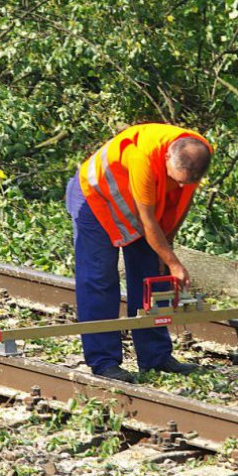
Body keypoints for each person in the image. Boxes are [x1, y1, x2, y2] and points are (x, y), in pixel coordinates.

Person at [65, 123, 212, 382]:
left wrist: (167, 248)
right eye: (174, 180)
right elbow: (147, 222)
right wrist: (175, 264)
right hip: (95, 199)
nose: (178, 186)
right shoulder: (141, 157)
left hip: (138, 205)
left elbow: (181, 203)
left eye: (183, 182)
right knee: (99, 279)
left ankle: (156, 357)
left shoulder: (198, 152)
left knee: (152, 276)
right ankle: (104, 362)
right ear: (167, 156)